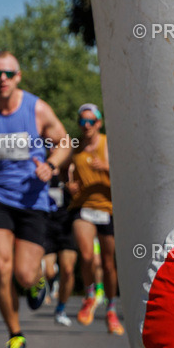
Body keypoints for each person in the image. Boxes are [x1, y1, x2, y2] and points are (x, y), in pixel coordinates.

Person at [0, 51, 73, 348]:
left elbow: (64, 142)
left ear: (18, 76)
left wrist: (52, 165)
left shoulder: (37, 109)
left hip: (32, 199)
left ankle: (36, 280)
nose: (3, 79)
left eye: (8, 73)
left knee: (23, 273)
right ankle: (15, 333)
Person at [66, 103, 124, 335]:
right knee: (87, 255)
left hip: (107, 209)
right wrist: (68, 185)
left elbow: (126, 173)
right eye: (83, 121)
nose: (86, 125)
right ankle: (90, 296)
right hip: (82, 207)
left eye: (91, 121)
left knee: (108, 265)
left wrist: (106, 167)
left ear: (99, 123)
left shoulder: (108, 144)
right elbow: (65, 172)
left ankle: (111, 309)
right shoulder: (75, 146)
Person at [41, 173, 77, 326]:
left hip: (66, 226)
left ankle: (61, 309)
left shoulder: (71, 170)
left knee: (68, 270)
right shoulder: (41, 168)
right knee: (48, 272)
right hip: (46, 225)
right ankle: (51, 278)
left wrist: (74, 190)